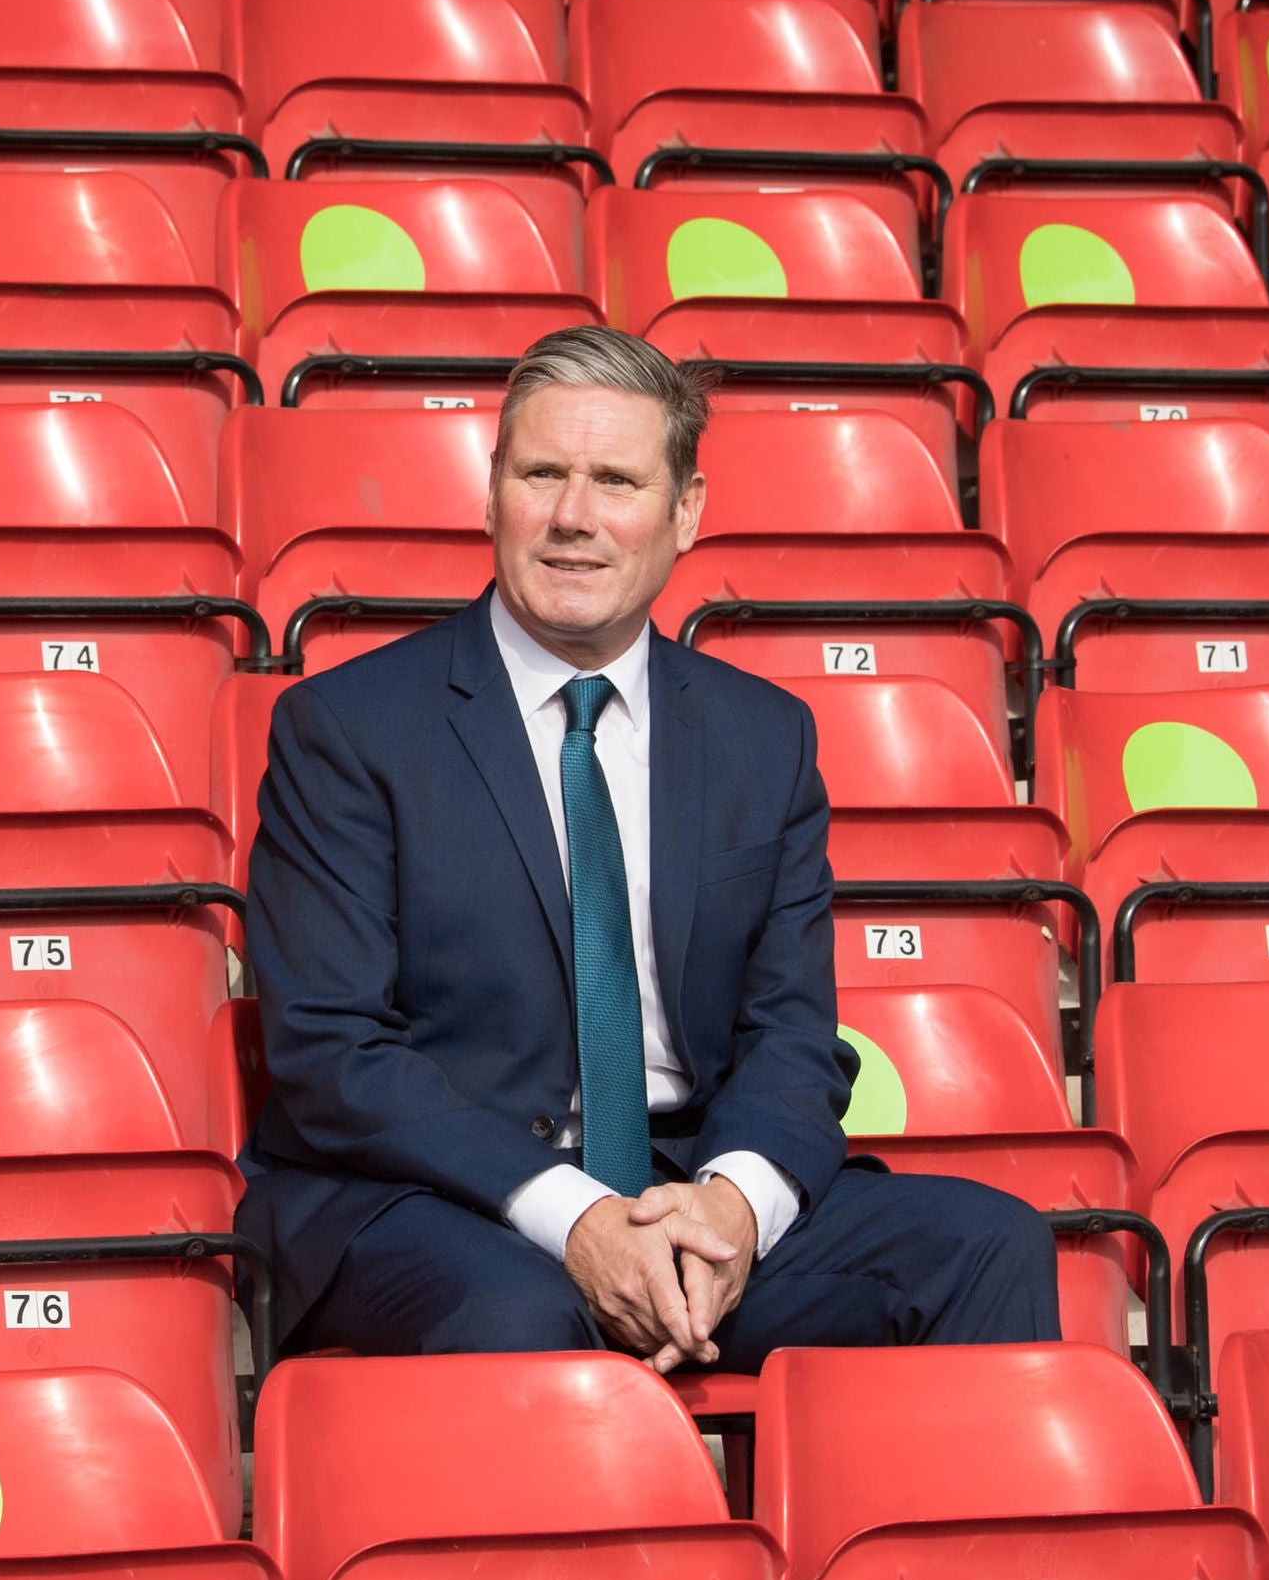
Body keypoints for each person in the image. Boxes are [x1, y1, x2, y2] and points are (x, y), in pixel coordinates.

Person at [237, 325, 1061, 1365]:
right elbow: (332, 1053)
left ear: (683, 513)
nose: (572, 518)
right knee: (524, 1316)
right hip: (438, 1196)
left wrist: (732, 1211)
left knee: (982, 1247)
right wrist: (575, 1219)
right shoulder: (348, 728)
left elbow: (792, 1037)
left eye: (615, 482)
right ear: (491, 494)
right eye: (541, 474)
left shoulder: (762, 737)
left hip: (685, 1180)